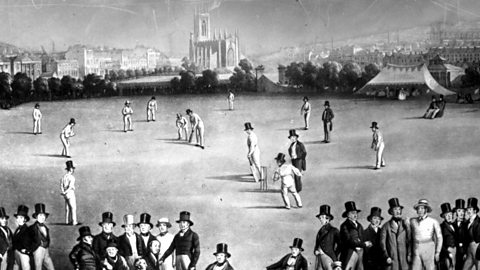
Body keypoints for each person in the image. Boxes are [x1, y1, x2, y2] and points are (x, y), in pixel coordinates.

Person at [410, 199, 443, 270]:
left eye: (422, 208)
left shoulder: (433, 222)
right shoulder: (412, 221)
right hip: (416, 248)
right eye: (418, 208)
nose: (420, 210)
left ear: (426, 209)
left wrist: (438, 252)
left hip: (429, 248)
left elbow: (439, 237)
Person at [380, 198, 411, 270]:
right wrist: (386, 256)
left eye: (399, 209)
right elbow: (382, 244)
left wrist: (409, 254)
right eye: (395, 209)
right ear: (391, 212)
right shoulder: (386, 226)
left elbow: (410, 240)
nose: (398, 212)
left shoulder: (406, 224)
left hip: (404, 260)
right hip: (392, 260)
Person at [339, 201, 371, 270]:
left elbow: (363, 238)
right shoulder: (344, 226)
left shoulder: (359, 226)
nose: (355, 215)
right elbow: (348, 241)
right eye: (353, 213)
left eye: (356, 213)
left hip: (361, 253)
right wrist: (363, 244)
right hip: (350, 253)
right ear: (348, 215)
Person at [314, 205, 340, 270]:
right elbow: (317, 245)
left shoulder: (334, 230)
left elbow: (341, 245)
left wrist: (334, 254)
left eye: (322, 217)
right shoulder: (319, 232)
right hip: (319, 257)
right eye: (320, 218)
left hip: (329, 257)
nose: (320, 219)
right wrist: (316, 251)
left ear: (327, 219)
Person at [30, 203, 55, 270]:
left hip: (46, 250)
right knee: (38, 268)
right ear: (36, 217)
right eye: (40, 215)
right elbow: (28, 240)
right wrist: (34, 248)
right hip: (38, 250)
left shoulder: (46, 228)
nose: (42, 217)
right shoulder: (32, 228)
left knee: (51, 268)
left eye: (44, 215)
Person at [462, 197, 480, 270]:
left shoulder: (479, 222)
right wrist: (466, 252)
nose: (468, 211)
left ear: (475, 210)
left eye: (470, 209)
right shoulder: (467, 222)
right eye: (467, 209)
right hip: (469, 250)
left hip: (478, 249)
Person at [12, 205, 32, 270]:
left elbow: (30, 242)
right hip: (17, 252)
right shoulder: (17, 229)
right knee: (16, 266)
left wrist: (27, 250)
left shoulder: (27, 229)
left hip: (24, 254)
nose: (19, 220)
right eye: (17, 218)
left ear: (25, 219)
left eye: (21, 218)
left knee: (25, 268)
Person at [439, 202, 456, 270]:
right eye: (447, 215)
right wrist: (447, 253)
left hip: (455, 250)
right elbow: (440, 243)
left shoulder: (454, 225)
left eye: (450, 214)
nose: (449, 216)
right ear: (444, 217)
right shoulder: (441, 227)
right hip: (447, 251)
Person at [60, 160, 78, 226]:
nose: (73, 170)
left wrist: (63, 192)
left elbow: (61, 185)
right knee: (73, 208)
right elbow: (70, 187)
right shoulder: (72, 177)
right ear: (70, 169)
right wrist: (65, 191)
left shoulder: (63, 177)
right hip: (70, 193)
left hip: (65, 195)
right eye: (72, 169)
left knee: (67, 208)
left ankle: (67, 221)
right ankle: (74, 221)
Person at [453, 199, 467, 270]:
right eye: (459, 211)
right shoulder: (452, 224)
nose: (461, 213)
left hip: (463, 252)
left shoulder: (467, 224)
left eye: (463, 211)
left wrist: (465, 252)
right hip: (454, 251)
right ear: (456, 212)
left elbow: (468, 240)